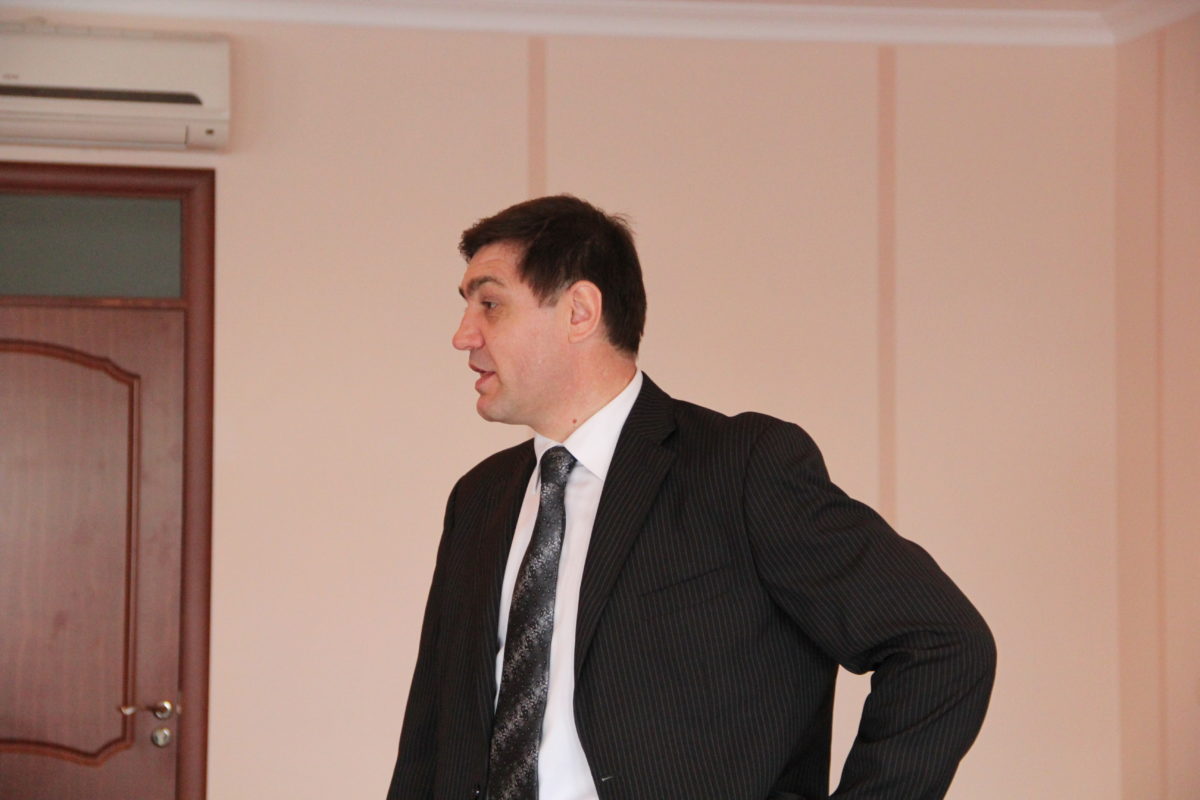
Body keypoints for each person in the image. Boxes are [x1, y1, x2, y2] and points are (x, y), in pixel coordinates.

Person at [387, 195, 995, 800]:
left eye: (490, 304)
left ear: (579, 311)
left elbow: (942, 642)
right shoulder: (478, 499)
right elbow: (430, 739)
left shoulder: (741, 467)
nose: (463, 335)